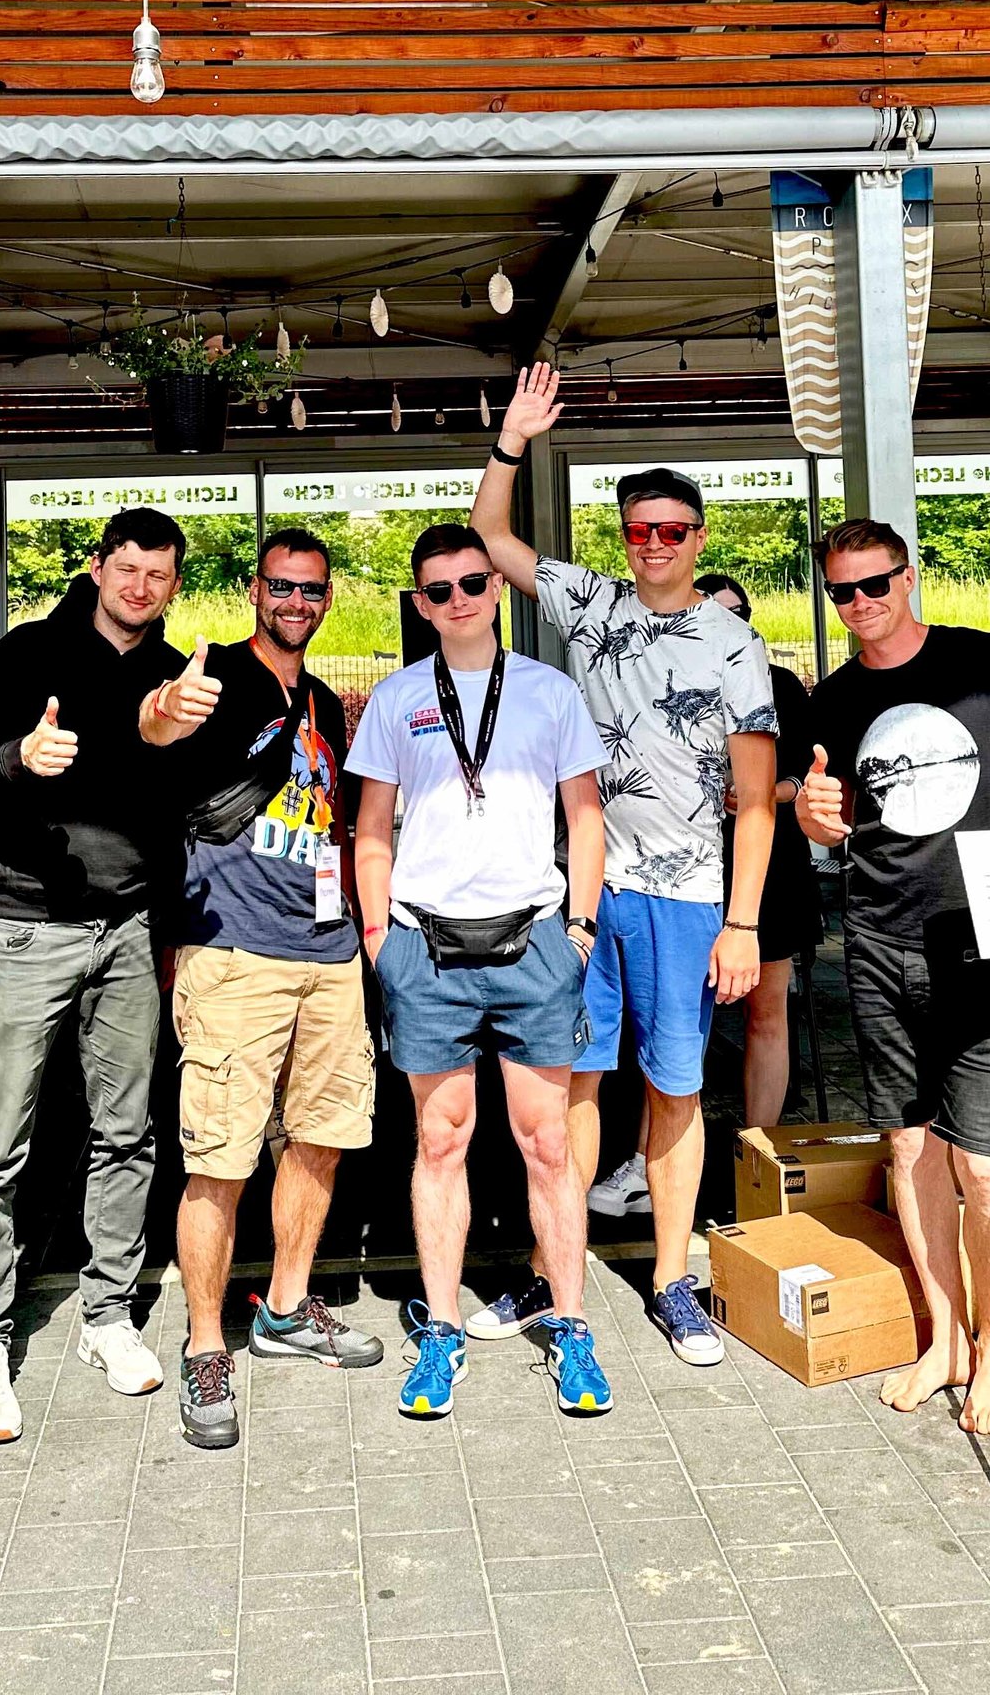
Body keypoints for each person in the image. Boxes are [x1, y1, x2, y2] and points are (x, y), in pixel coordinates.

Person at [472, 363, 777, 1368]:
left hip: (690, 897)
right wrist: (511, 441)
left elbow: (752, 797)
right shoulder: (591, 603)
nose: (652, 543)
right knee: (569, 1084)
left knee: (676, 1089)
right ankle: (554, 1271)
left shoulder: (734, 646)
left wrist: (741, 922)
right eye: (638, 528)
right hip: (585, 890)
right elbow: (489, 537)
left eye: (671, 530)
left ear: (697, 538)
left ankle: (670, 1278)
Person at [797, 517, 990, 1434]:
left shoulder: (983, 660)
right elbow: (835, 821)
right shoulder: (837, 697)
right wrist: (817, 821)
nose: (860, 606)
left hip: (984, 939)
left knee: (979, 1160)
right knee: (908, 1148)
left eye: (875, 584)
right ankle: (945, 1337)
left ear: (909, 575)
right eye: (842, 592)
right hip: (879, 941)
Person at [350, 524, 613, 1418]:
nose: (459, 599)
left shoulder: (550, 693)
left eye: (473, 582)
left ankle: (571, 1328)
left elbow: (585, 817)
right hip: (426, 944)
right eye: (439, 590)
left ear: (497, 589)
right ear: (419, 604)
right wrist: (381, 938)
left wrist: (579, 929)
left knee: (547, 1144)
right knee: (440, 1141)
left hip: (535, 941)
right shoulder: (394, 698)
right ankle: (442, 1335)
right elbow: (371, 830)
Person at [0, 508, 189, 1443]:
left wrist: (171, 737)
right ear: (97, 567)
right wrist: (22, 757)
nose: (139, 587)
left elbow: (181, 807)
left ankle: (107, 1314)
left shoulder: (176, 676)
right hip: (22, 932)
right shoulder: (30, 649)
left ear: (172, 584)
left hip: (128, 931)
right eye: (126, 568)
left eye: (157, 575)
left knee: (126, 1134)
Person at [140, 527, 382, 1449]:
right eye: (281, 587)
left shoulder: (319, 697)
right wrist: (165, 709)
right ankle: (208, 1343)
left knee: (320, 1141)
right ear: (254, 591)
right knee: (220, 1156)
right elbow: (157, 731)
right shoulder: (218, 680)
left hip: (325, 957)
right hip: (233, 953)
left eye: (311, 589)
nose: (297, 602)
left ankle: (284, 1308)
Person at [592, 571, 821, 1223]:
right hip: (677, 871)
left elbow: (803, 773)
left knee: (766, 1013)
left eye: (737, 614)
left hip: (765, 868)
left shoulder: (776, 684)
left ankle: (760, 1158)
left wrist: (760, 796)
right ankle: (646, 1159)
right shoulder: (656, 679)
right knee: (671, 1025)